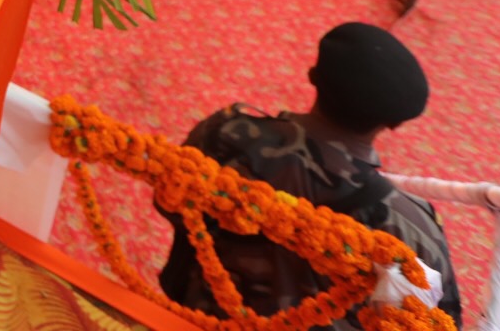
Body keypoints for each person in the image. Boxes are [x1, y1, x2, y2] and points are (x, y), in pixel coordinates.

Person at [160, 24, 460, 326]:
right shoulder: (411, 230)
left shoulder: (227, 136)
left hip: (195, 319)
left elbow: (169, 202)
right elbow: (440, 319)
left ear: (312, 76)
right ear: (395, 123)